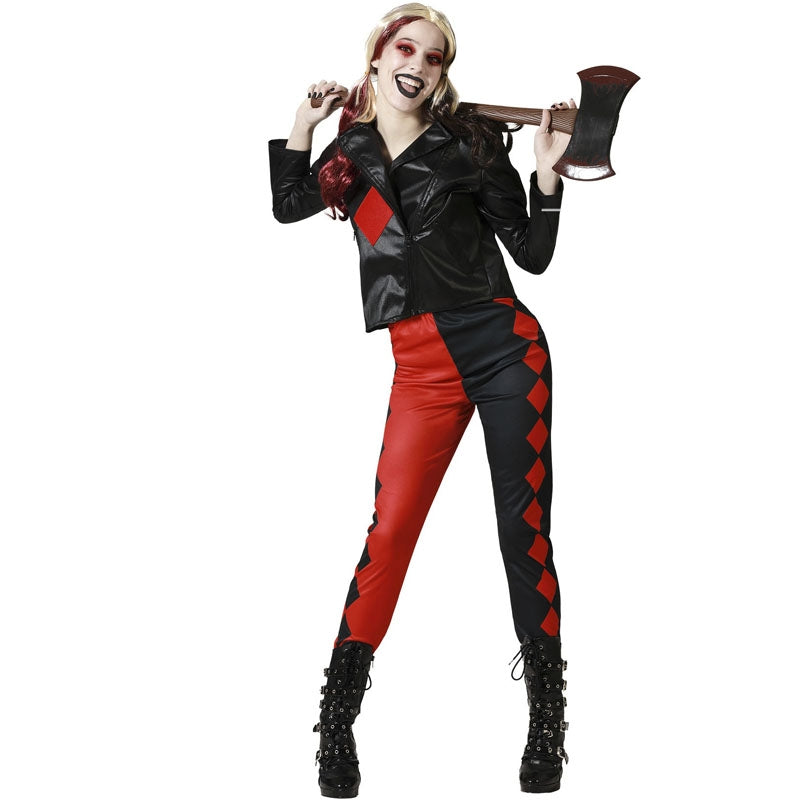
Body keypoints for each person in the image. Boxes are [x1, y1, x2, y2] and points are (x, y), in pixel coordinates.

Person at [268, 4, 574, 796]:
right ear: (378, 56)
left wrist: (546, 174)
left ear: (442, 75)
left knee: (523, 533)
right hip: (421, 368)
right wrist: (301, 126)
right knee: (390, 535)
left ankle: (548, 724)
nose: (418, 63)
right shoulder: (351, 151)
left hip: (505, 350)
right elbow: (288, 202)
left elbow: (533, 255)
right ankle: (336, 725)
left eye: (434, 58)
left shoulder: (468, 143)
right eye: (405, 48)